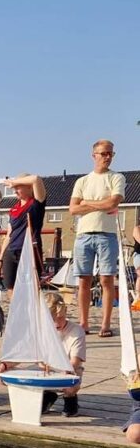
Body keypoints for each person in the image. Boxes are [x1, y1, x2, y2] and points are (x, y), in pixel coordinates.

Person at [69, 139, 126, 337]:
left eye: (111, 153)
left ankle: (105, 324)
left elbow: (113, 202)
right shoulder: (82, 181)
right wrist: (101, 203)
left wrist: (87, 203)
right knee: (83, 281)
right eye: (104, 153)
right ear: (94, 155)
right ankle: (83, 323)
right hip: (83, 235)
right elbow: (73, 208)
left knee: (106, 279)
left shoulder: (117, 178)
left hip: (106, 234)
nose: (108, 157)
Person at [0, 175, 47, 300]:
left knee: (32, 287)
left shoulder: (36, 203)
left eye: (19, 187)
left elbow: (36, 179)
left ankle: (31, 317)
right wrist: (0, 259)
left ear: (29, 187)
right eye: (15, 187)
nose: (15, 190)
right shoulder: (13, 209)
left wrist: (13, 182)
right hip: (11, 252)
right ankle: (17, 315)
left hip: (29, 250)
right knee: (11, 287)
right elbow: (8, 234)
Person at [43, 292, 85, 417]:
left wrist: (65, 369)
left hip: (68, 369)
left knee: (71, 380)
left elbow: (75, 360)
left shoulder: (76, 331)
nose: (57, 323)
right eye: (52, 320)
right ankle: (47, 395)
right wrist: (6, 364)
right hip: (46, 370)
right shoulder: (41, 330)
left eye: (60, 318)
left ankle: (70, 398)